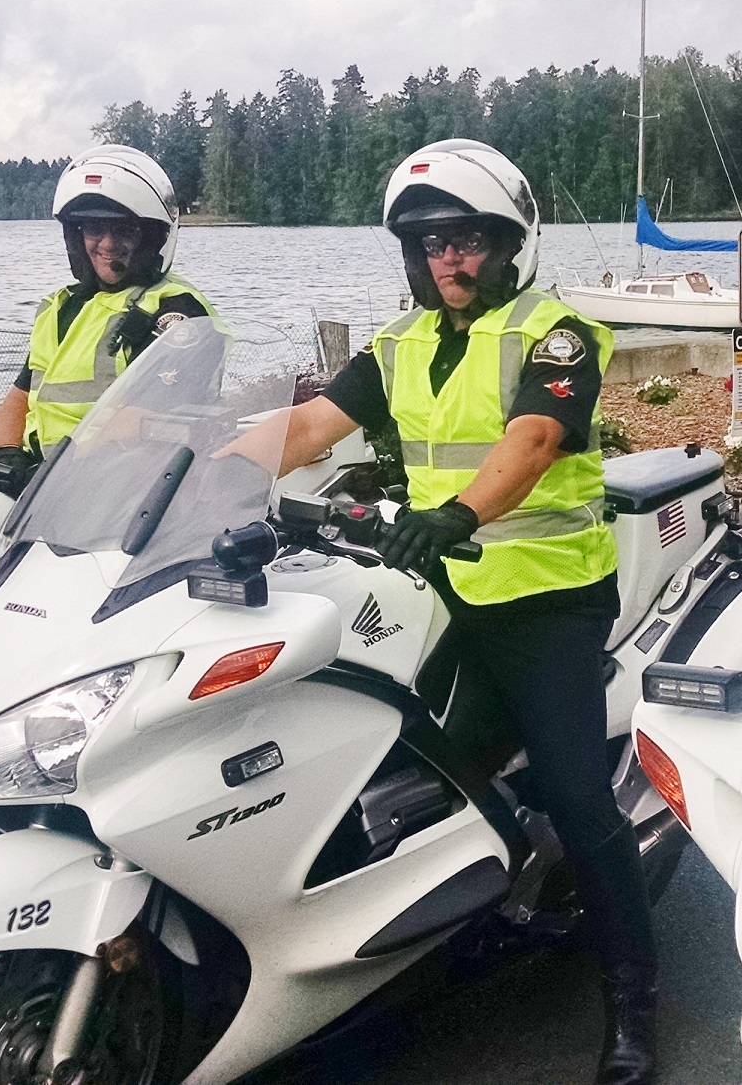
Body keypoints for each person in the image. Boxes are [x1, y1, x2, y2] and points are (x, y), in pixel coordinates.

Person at [270, 139, 658, 1085]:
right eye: (434, 242)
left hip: (544, 600)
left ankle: (632, 997)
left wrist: (456, 513)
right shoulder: (397, 345)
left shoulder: (555, 333)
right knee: (399, 769)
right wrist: (191, 472)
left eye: (470, 239)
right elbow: (309, 428)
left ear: (505, 242)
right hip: (437, 599)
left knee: (576, 792)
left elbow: (530, 441)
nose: (452, 258)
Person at [0, 145, 217, 473]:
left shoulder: (175, 310)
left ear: (150, 237)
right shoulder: (60, 308)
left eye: (124, 230)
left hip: (128, 484)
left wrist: (56, 475)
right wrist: (6, 455)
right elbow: (19, 398)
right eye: (95, 228)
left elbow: (138, 421)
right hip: (40, 483)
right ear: (76, 235)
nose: (107, 244)